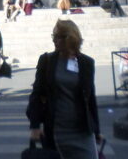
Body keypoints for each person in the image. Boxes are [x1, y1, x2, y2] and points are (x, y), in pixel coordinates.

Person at [26, 19, 102, 158]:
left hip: (82, 130)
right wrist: (35, 126)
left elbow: (90, 99)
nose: (54, 40)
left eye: (58, 37)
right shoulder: (47, 61)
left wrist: (96, 130)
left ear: (70, 38)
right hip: (56, 129)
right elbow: (36, 94)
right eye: (53, 36)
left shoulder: (86, 63)